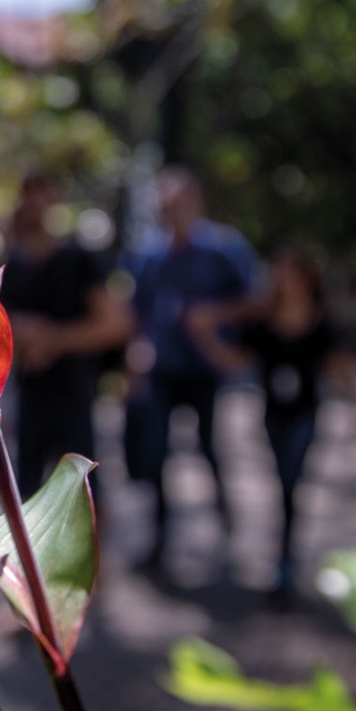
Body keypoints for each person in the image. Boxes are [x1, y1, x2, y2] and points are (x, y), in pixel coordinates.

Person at [187, 246, 356, 597]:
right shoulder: (263, 324)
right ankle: (283, 561)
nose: (285, 280)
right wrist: (203, 334)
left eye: (292, 272)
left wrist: (355, 401)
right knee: (283, 485)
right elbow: (234, 362)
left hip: (306, 415)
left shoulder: (322, 321)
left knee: (291, 484)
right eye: (279, 273)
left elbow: (339, 366)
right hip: (272, 416)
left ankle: (285, 563)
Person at [121, 166, 253, 568]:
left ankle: (225, 521)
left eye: (177, 204)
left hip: (204, 370)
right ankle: (159, 539)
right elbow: (135, 314)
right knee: (156, 451)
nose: (170, 212)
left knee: (209, 448)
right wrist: (134, 354)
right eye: (165, 205)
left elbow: (254, 301)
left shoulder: (225, 249)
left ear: (196, 203)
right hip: (162, 371)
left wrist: (214, 318)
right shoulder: (148, 255)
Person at [0, 172, 131, 499]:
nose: (34, 206)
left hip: (73, 396)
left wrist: (55, 339)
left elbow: (115, 325)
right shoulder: (14, 266)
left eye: (41, 195)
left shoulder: (79, 261)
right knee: (26, 497)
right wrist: (21, 331)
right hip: (30, 398)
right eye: (28, 195)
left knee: (82, 496)